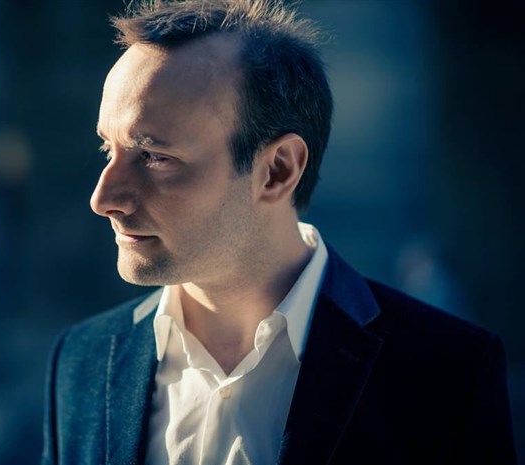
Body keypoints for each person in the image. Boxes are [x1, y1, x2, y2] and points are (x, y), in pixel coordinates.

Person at [41, 1, 516, 463]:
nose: (103, 198)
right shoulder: (81, 363)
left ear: (277, 171)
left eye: (154, 157)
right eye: (109, 149)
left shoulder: (448, 375)